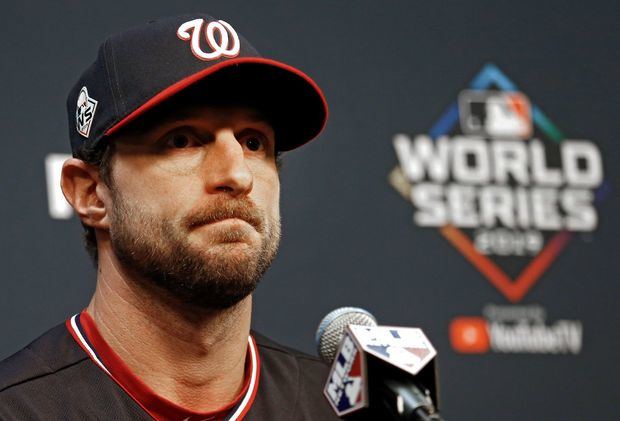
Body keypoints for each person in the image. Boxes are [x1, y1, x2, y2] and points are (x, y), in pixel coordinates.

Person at [0, 13, 340, 420]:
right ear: (91, 193)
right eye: (181, 140)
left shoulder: (337, 410)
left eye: (253, 142)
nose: (237, 174)